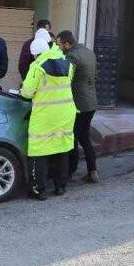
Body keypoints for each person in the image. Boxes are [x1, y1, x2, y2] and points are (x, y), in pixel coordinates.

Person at [20, 29, 76, 200]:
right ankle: (60, 187)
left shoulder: (37, 66)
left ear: (35, 54)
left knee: (39, 152)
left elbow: (27, 92)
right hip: (66, 114)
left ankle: (39, 190)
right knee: (61, 149)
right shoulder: (67, 64)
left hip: (45, 116)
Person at [56, 30, 98, 184]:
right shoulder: (89, 52)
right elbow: (95, 76)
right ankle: (92, 171)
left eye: (59, 45)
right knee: (85, 137)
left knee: (72, 138)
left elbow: (67, 79)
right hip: (91, 102)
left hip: (78, 104)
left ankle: (70, 172)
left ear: (67, 44)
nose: (58, 47)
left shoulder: (71, 56)